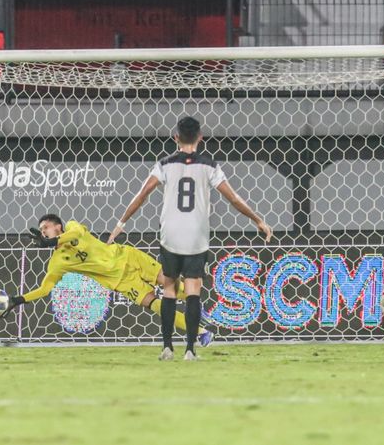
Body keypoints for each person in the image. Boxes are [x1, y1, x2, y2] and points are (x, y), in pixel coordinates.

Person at [107, 116, 273, 361]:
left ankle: (166, 348)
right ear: (200, 137)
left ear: (176, 137)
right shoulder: (209, 166)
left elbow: (142, 195)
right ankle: (190, 351)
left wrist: (120, 224)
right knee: (194, 289)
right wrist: (258, 220)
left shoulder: (164, 164)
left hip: (170, 234)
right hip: (196, 234)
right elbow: (234, 199)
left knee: (170, 288)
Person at [2, 214, 214, 347]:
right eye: (41, 232)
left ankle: (194, 303)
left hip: (128, 258)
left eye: (45, 228)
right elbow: (44, 289)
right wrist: (17, 300)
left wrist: (53, 241)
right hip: (121, 282)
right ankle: (201, 332)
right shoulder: (57, 262)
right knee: (156, 305)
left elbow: (74, 234)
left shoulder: (73, 226)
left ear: (58, 226)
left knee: (172, 287)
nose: (43, 232)